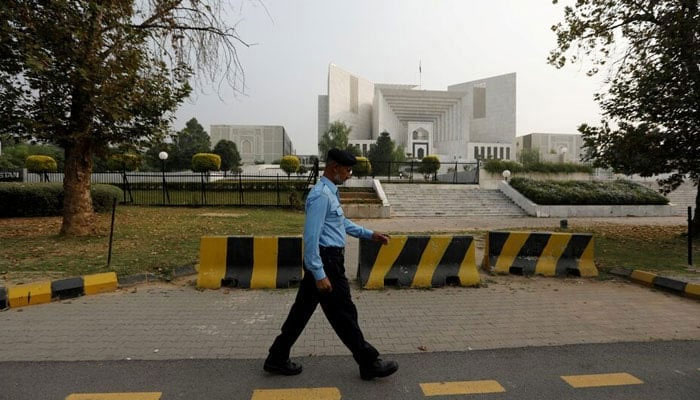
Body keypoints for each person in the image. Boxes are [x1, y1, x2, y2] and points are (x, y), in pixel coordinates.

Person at [264, 148, 399, 381]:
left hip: (326, 262)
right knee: (344, 314)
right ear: (334, 167)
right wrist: (319, 273)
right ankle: (369, 363)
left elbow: (340, 223)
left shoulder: (330, 192)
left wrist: (369, 234)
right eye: (347, 170)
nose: (349, 175)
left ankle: (276, 357)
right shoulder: (321, 196)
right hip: (326, 264)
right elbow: (311, 237)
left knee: (301, 313)